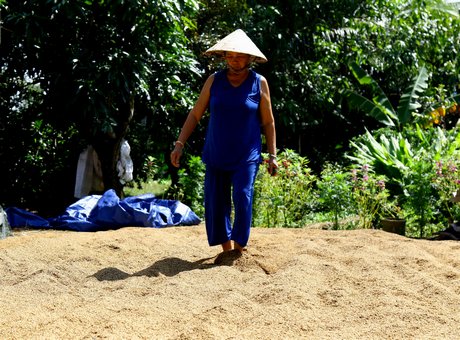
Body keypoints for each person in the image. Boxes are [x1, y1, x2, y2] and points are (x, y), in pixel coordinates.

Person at [170, 29, 278, 253]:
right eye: (229, 55)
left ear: (250, 58)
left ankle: (239, 248)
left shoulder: (259, 83)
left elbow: (268, 122)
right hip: (217, 152)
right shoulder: (214, 81)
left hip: (246, 155)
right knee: (216, 202)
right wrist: (180, 143)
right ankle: (226, 250)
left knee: (242, 195)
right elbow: (195, 114)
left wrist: (272, 155)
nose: (234, 59)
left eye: (239, 56)